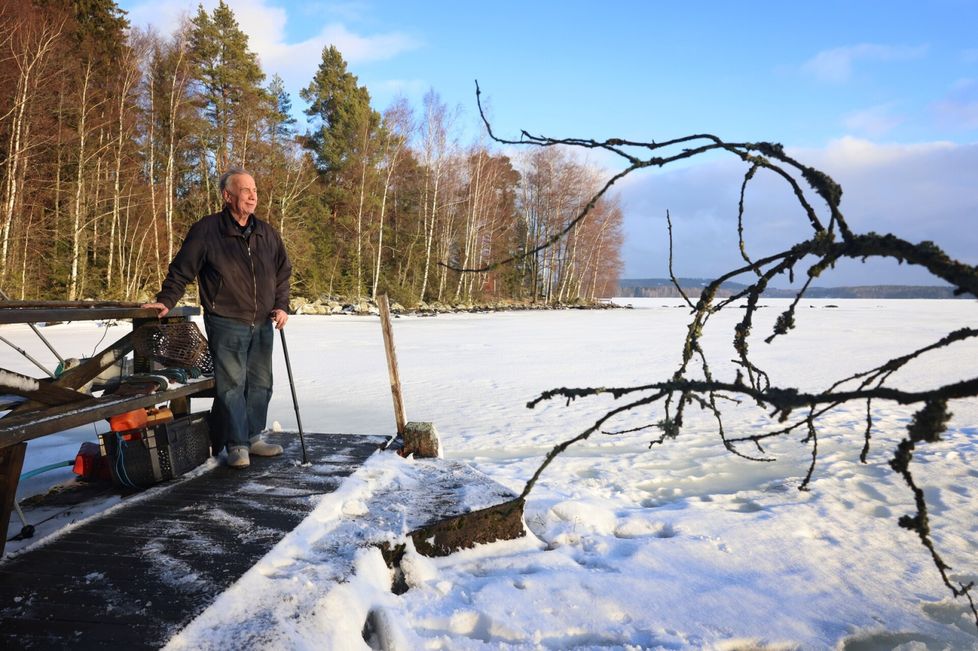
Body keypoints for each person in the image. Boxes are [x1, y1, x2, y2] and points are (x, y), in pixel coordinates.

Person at [142, 168, 292, 469]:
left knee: (262, 383)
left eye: (255, 190)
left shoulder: (266, 233)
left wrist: (281, 305)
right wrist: (166, 300)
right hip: (226, 319)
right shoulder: (208, 230)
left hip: (263, 321)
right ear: (228, 196)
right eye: (246, 190)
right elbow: (182, 269)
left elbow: (282, 273)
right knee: (232, 385)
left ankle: (252, 438)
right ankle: (237, 446)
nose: (253, 195)